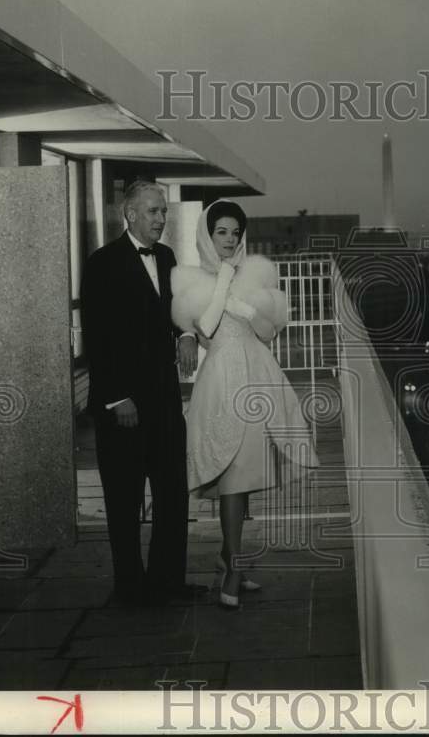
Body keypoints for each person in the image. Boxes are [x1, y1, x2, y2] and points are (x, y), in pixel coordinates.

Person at [171, 199, 319, 608]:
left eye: (235, 232)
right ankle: (235, 565)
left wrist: (244, 301)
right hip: (220, 382)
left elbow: (269, 331)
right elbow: (205, 327)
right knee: (231, 473)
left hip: (258, 378)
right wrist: (222, 284)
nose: (230, 239)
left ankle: (228, 557)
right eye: (221, 231)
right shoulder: (187, 280)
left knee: (245, 473)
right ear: (207, 233)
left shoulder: (257, 272)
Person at [81, 180, 206, 606]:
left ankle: (168, 582)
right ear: (130, 214)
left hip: (165, 401)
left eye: (164, 212)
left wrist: (187, 332)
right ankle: (130, 589)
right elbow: (97, 337)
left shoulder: (167, 256)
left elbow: (175, 308)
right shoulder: (102, 263)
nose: (160, 219)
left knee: (172, 494)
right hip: (123, 405)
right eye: (153, 211)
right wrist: (117, 398)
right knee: (124, 498)